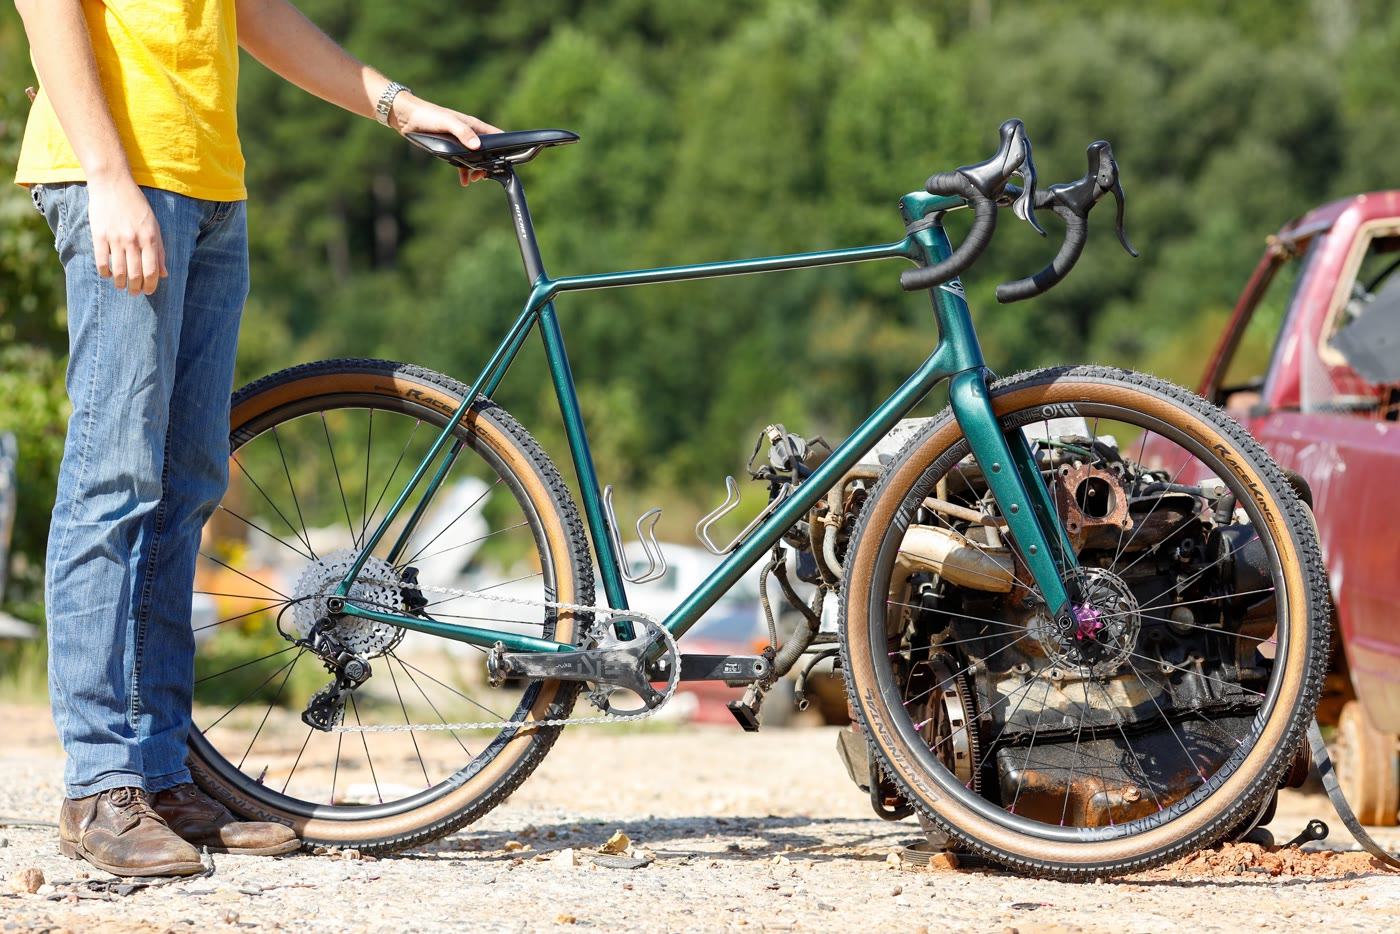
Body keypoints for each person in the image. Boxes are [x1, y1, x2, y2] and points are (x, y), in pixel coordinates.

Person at [13, 0, 499, 877]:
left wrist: (398, 104)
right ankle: (100, 785)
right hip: (119, 178)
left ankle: (159, 776)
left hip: (207, 188)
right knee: (113, 480)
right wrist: (109, 174)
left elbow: (254, 14)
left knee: (187, 481)